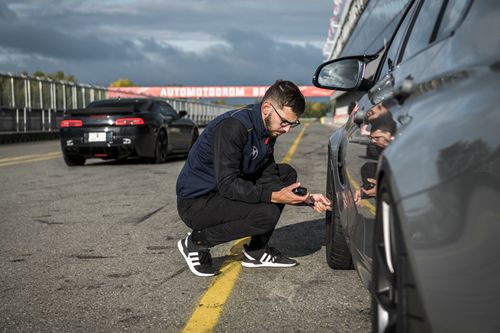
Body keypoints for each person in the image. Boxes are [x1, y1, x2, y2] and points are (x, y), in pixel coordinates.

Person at [175, 80, 332, 277]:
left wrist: (306, 199)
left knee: (286, 175)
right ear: (267, 108)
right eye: (284, 122)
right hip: (198, 203)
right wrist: (274, 196)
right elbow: (228, 184)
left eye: (293, 124)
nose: (287, 130)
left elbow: (268, 174)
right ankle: (196, 243)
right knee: (265, 214)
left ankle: (256, 252)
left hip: (224, 192)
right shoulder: (232, 127)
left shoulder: (266, 128)